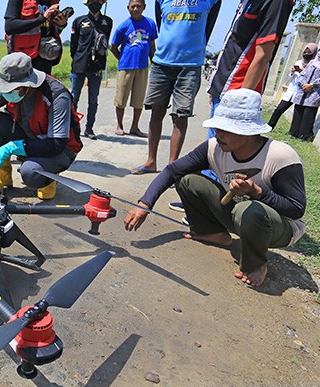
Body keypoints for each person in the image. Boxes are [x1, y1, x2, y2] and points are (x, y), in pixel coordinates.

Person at [123, 88, 306, 287]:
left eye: (225, 130)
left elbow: (296, 209)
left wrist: (256, 192)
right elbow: (172, 171)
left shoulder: (280, 155)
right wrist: (144, 204)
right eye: (217, 128)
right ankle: (212, 232)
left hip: (279, 228)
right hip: (238, 215)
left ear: (247, 132)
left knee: (249, 209)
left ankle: (256, 264)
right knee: (188, 181)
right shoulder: (214, 147)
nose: (217, 134)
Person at [132, 0, 222, 175]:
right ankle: (151, 161)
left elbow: (208, 27)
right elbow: (162, 25)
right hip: (162, 63)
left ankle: (172, 168)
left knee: (180, 116)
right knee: (156, 112)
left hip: (190, 65)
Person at [0, 52, 83, 200]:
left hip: (59, 149)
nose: (6, 92)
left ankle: (49, 177)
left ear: (27, 84)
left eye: (11, 89)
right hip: (29, 135)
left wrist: (14, 147)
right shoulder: (9, 86)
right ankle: (3, 175)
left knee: (31, 173)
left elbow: (57, 145)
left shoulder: (57, 96)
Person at [207, 0, 294, 134]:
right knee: (213, 147)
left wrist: (240, 102)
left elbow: (263, 55)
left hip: (237, 94)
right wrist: (216, 86)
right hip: (222, 89)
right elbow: (235, 41)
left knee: (222, 148)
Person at [4, 0, 73, 74]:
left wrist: (61, 24)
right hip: (22, 60)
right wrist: (41, 19)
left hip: (45, 57)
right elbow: (9, 26)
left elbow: (51, 29)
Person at [110, 0, 157, 137]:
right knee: (121, 99)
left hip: (142, 67)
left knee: (138, 99)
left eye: (139, 6)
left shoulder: (150, 24)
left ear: (144, 8)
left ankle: (135, 127)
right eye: (133, 6)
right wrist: (122, 59)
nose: (135, 9)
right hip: (126, 67)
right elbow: (113, 47)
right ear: (128, 8)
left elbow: (152, 46)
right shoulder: (123, 26)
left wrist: (153, 63)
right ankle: (119, 125)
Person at [69, 0, 113, 140]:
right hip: (79, 65)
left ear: (102, 2)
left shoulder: (107, 22)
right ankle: (72, 127)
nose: (95, 3)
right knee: (74, 98)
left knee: (93, 100)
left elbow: (104, 43)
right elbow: (73, 45)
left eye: (98, 0)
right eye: (92, 0)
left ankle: (89, 128)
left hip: (96, 66)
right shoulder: (79, 21)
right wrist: (76, 60)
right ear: (87, 3)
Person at [289, 41, 320, 140]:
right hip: (303, 89)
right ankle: (294, 133)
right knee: (298, 109)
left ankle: (304, 136)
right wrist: (303, 83)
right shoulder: (313, 61)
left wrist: (312, 85)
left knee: (308, 113)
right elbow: (304, 73)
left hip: (315, 92)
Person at [268, 43, 316, 129]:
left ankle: (294, 132)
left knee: (297, 114)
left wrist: (302, 71)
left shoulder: (313, 65)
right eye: (305, 51)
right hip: (292, 90)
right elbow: (291, 76)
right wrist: (292, 72)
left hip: (302, 92)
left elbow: (311, 78)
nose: (306, 53)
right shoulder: (299, 62)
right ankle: (270, 126)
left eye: (309, 52)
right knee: (279, 109)